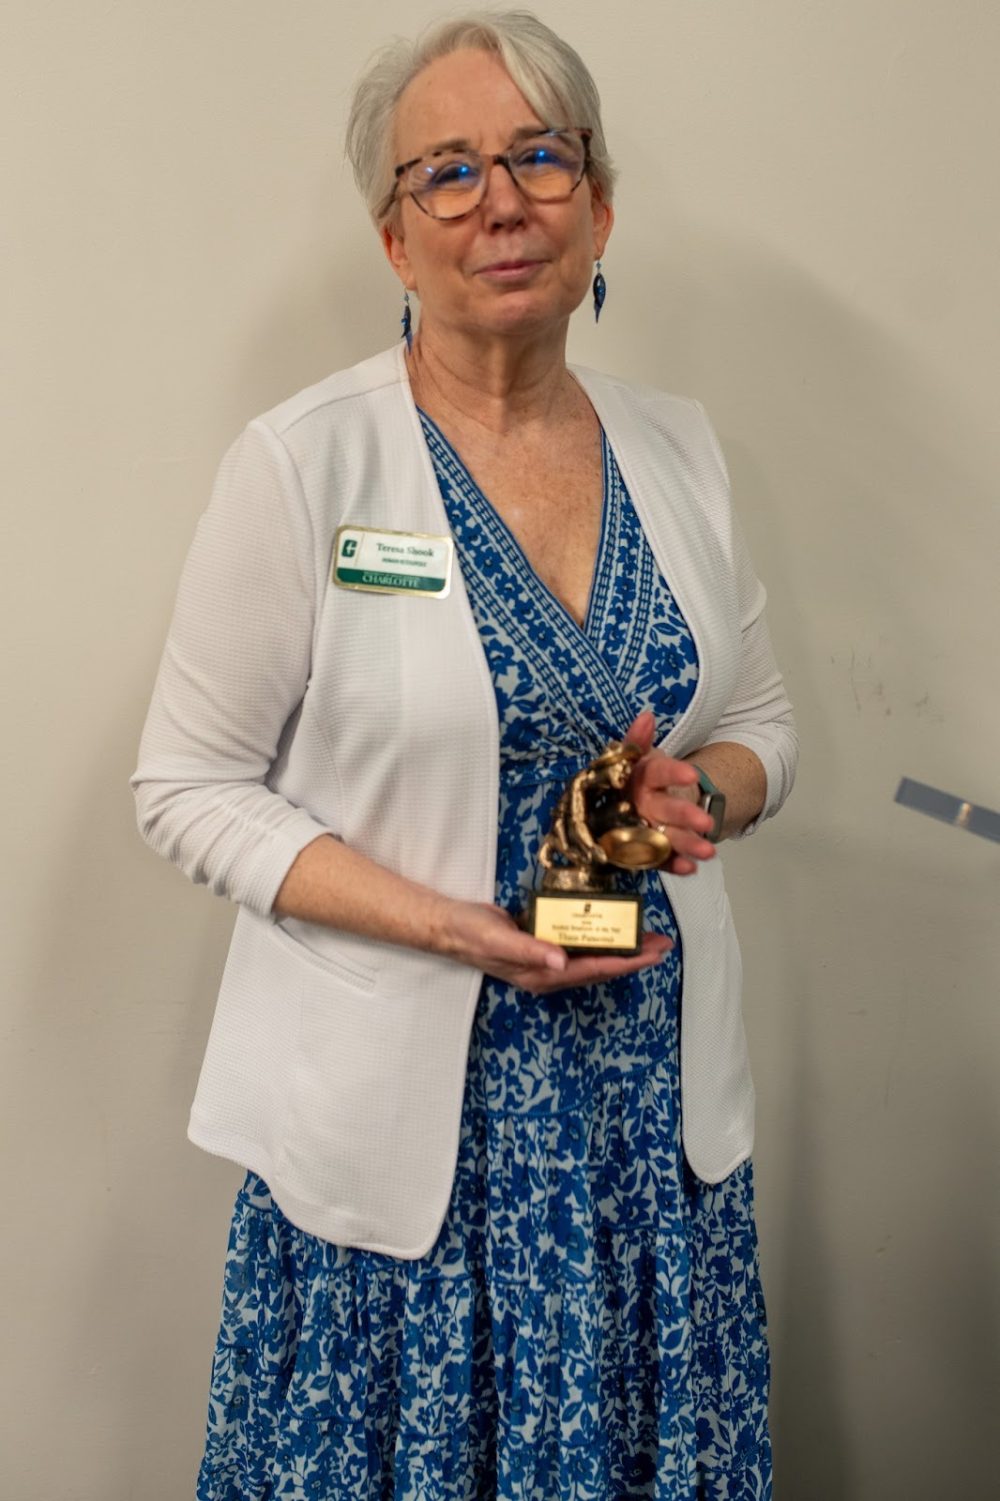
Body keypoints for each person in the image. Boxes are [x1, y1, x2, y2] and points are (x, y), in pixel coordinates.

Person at [131, 11, 797, 1498]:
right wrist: (449, 920)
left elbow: (761, 725)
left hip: (643, 1142)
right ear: (393, 236)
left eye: (540, 158)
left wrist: (711, 797)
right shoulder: (307, 466)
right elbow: (183, 785)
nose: (501, 201)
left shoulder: (682, 450)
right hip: (401, 1168)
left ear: (601, 203)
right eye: (448, 172)